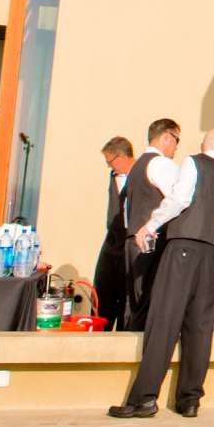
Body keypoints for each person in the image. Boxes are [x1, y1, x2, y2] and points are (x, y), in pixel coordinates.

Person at [111, 129, 214, 419]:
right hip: (211, 254)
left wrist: (150, 225)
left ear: (205, 146)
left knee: (164, 321)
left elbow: (179, 200)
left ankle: (144, 399)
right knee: (199, 327)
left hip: (182, 249)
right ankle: (189, 400)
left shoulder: (193, 163)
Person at [119, 118, 184, 333]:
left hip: (131, 241)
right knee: (150, 303)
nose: (176, 147)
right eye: (176, 140)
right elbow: (179, 200)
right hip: (150, 242)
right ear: (166, 137)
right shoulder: (161, 164)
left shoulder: (137, 166)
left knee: (133, 304)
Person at [92, 135, 137, 333]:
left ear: (120, 157)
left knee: (126, 296)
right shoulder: (114, 177)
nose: (109, 167)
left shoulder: (143, 174)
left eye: (110, 162)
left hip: (131, 243)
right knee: (102, 292)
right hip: (111, 244)